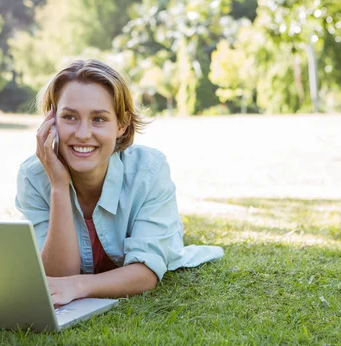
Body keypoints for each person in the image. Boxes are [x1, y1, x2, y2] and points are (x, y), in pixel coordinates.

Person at [15, 59, 223, 306]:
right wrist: (59, 187)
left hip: (158, 234)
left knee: (162, 238)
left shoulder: (149, 170)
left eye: (99, 119)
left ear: (121, 124)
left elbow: (145, 273)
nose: (82, 133)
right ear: (51, 120)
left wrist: (79, 285)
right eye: (69, 117)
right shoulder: (34, 175)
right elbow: (55, 279)